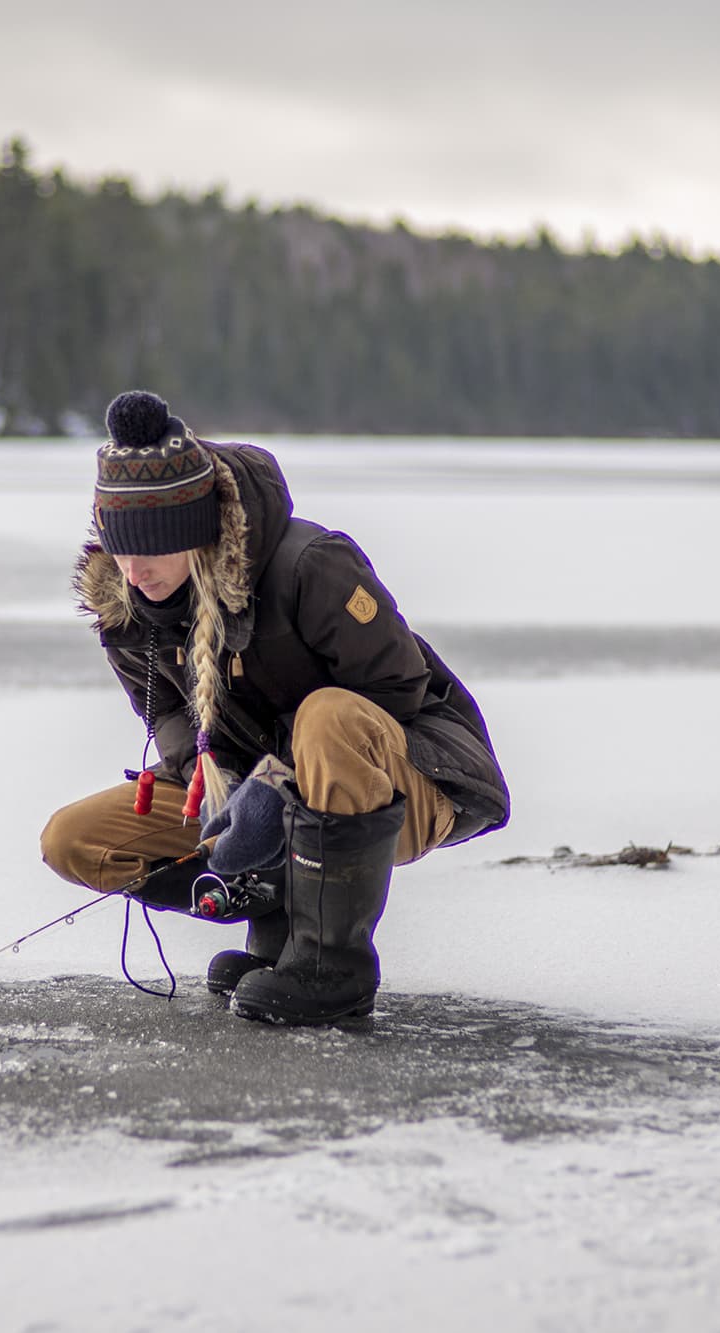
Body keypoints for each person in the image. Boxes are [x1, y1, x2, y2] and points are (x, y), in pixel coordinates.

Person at [40, 390, 510, 1025]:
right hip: (267, 797)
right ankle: (279, 932)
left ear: (194, 531)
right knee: (76, 838)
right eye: (120, 547)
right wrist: (217, 784)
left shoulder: (310, 567)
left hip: (411, 785)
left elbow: (398, 689)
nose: (133, 568)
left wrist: (276, 788)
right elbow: (169, 718)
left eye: (149, 547)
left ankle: (330, 967)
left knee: (327, 716)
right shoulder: (126, 612)